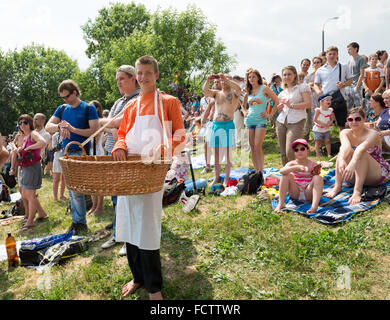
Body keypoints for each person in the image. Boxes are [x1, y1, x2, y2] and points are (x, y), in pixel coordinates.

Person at [112, 55, 185, 300]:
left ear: (156, 75)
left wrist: (164, 150)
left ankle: (154, 287)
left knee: (148, 226)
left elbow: (180, 135)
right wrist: (119, 146)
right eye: (139, 73)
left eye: (147, 73)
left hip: (152, 173)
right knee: (129, 223)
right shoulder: (130, 106)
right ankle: (137, 277)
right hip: (129, 172)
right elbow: (122, 133)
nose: (143, 77)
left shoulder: (168, 102)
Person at [46, 79, 99, 235]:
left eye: (67, 96)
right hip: (65, 152)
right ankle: (77, 221)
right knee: (71, 190)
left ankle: (80, 223)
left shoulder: (88, 108)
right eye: (62, 97)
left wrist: (72, 128)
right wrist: (60, 126)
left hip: (81, 153)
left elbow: (94, 130)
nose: (65, 100)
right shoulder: (62, 108)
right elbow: (49, 126)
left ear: (75, 92)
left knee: (76, 190)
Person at [99, 65, 140, 256]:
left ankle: (129, 238)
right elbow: (105, 125)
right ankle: (119, 232)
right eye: (117, 80)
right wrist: (113, 127)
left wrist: (114, 126)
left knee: (128, 197)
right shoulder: (118, 102)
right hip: (111, 152)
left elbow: (129, 125)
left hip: (126, 153)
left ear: (133, 79)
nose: (118, 83)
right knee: (116, 195)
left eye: (122, 79)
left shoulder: (139, 99)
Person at [324, 108, 390, 205]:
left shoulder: (373, 134)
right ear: (347, 121)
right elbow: (345, 147)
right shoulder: (345, 132)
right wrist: (341, 159)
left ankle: (357, 191)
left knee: (360, 153)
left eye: (358, 119)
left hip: (376, 175)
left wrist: (352, 164)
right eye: (350, 119)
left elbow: (361, 149)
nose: (354, 122)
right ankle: (337, 187)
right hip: (355, 174)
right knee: (342, 151)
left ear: (364, 119)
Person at [203, 73, 242, 187]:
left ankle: (226, 178)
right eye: (222, 80)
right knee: (216, 154)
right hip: (216, 126)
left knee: (228, 154)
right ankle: (216, 177)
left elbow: (239, 88)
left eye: (226, 80)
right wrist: (208, 80)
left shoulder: (234, 94)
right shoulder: (217, 94)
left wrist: (227, 79)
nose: (223, 82)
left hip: (228, 125)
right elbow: (205, 91)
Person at [242, 68, 279, 172]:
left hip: (261, 121)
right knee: (252, 147)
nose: (251, 79)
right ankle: (256, 170)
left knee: (258, 146)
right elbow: (243, 105)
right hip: (249, 121)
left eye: (253, 76)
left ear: (258, 77)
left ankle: (261, 170)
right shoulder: (248, 91)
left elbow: (276, 100)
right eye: (249, 77)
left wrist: (270, 115)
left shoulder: (264, 88)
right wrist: (245, 112)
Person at [16, 114, 49, 232]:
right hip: (26, 166)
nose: (22, 125)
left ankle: (30, 222)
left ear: (29, 123)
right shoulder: (25, 137)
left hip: (32, 167)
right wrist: (20, 150)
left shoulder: (33, 133)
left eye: (25, 122)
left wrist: (30, 148)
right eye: (20, 123)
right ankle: (42, 213)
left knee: (29, 195)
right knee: (25, 194)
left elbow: (43, 142)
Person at [276, 65, 312, 165]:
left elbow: (308, 104)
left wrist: (291, 105)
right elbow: (282, 110)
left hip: (297, 121)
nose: (286, 77)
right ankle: (287, 175)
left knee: (290, 151)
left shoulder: (302, 87)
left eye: (289, 74)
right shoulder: (282, 93)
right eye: (284, 75)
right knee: (283, 153)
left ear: (294, 75)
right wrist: (280, 108)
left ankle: (296, 173)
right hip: (281, 121)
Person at [275, 138, 323, 214]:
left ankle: (314, 206)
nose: (299, 151)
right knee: (285, 175)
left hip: (308, 193)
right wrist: (295, 168)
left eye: (302, 149)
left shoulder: (312, 164)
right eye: (296, 150)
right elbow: (281, 171)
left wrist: (316, 170)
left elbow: (317, 178)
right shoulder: (292, 164)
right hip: (295, 192)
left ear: (308, 150)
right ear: (294, 153)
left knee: (318, 178)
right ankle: (281, 204)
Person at [314, 46, 353, 129]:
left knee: (342, 123)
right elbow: (316, 84)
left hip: (340, 97)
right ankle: (326, 140)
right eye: (330, 54)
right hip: (326, 99)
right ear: (326, 56)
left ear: (337, 55)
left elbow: (350, 80)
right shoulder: (320, 70)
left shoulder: (344, 67)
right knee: (324, 122)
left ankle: (342, 140)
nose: (332, 56)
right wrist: (318, 91)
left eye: (334, 54)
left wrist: (343, 85)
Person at [88, 100, 105, 216]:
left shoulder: (99, 122)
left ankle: (99, 206)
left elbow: (96, 140)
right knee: (91, 182)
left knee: (99, 182)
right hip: (89, 153)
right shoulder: (88, 122)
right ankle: (93, 205)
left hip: (97, 152)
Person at [346, 42, 366, 109]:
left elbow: (362, 74)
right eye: (348, 49)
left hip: (357, 86)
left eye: (350, 49)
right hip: (349, 87)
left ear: (355, 49)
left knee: (358, 106)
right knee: (349, 107)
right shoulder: (349, 60)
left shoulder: (361, 59)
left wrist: (357, 87)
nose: (348, 51)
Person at [51, 130, 66, 201]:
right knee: (56, 178)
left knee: (64, 178)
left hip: (66, 157)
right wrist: (58, 146)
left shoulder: (69, 134)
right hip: (57, 157)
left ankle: (62, 195)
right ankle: (55, 197)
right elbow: (53, 148)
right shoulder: (55, 135)